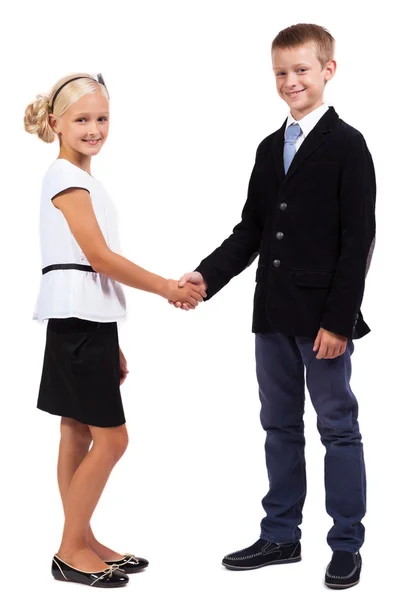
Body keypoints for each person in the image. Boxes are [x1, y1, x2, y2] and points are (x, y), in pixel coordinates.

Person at [171, 24, 376, 589]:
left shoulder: (347, 145)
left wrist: (338, 321)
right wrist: (206, 277)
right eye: (281, 73)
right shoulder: (269, 147)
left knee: (337, 427)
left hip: (321, 323)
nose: (291, 82)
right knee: (279, 426)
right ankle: (281, 534)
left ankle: (346, 543)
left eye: (302, 70)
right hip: (272, 316)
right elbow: (252, 231)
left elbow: (359, 240)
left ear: (328, 70)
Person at [24, 72, 206, 588]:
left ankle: (82, 539)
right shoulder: (66, 178)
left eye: (102, 118)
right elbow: (98, 258)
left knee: (78, 431)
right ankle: (68, 550)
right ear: (57, 124)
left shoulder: (82, 179)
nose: (94, 128)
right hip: (77, 322)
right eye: (82, 119)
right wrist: (168, 286)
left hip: (83, 322)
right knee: (112, 440)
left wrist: (112, 339)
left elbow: (83, 267)